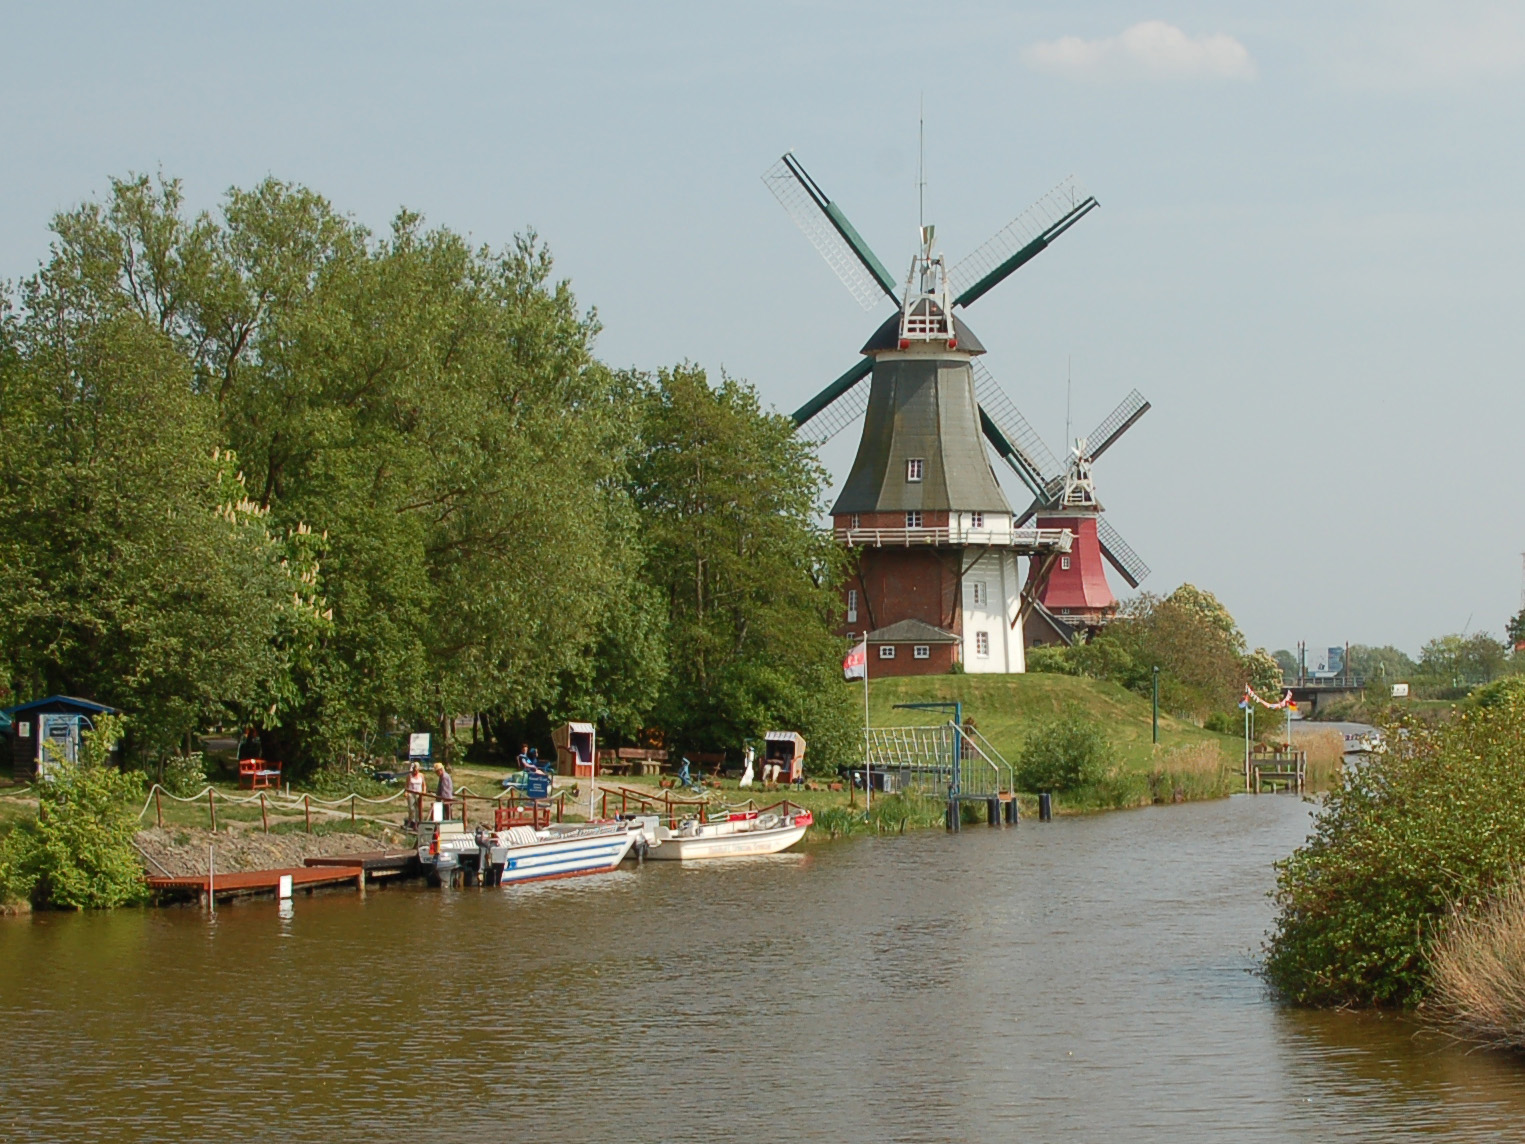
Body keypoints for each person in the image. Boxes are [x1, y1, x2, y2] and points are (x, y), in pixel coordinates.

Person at [404, 761, 425, 826]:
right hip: (411, 793)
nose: (415, 772)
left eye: (416, 770)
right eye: (414, 770)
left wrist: (424, 791)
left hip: (419, 794)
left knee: (418, 808)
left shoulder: (421, 775)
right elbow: (407, 785)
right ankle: (411, 821)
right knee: (411, 808)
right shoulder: (409, 776)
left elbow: (424, 785)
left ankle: (417, 821)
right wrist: (406, 792)